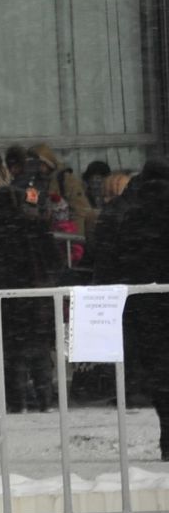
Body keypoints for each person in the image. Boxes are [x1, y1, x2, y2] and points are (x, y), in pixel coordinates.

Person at [96, 160, 169, 457]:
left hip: (144, 305)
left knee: (160, 374)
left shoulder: (130, 213)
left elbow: (112, 261)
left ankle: (167, 434)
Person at [0, 184, 56, 414]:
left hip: (4, 297)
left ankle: (18, 400)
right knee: (40, 348)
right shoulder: (35, 226)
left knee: (12, 351)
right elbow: (53, 260)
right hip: (36, 296)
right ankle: (45, 398)